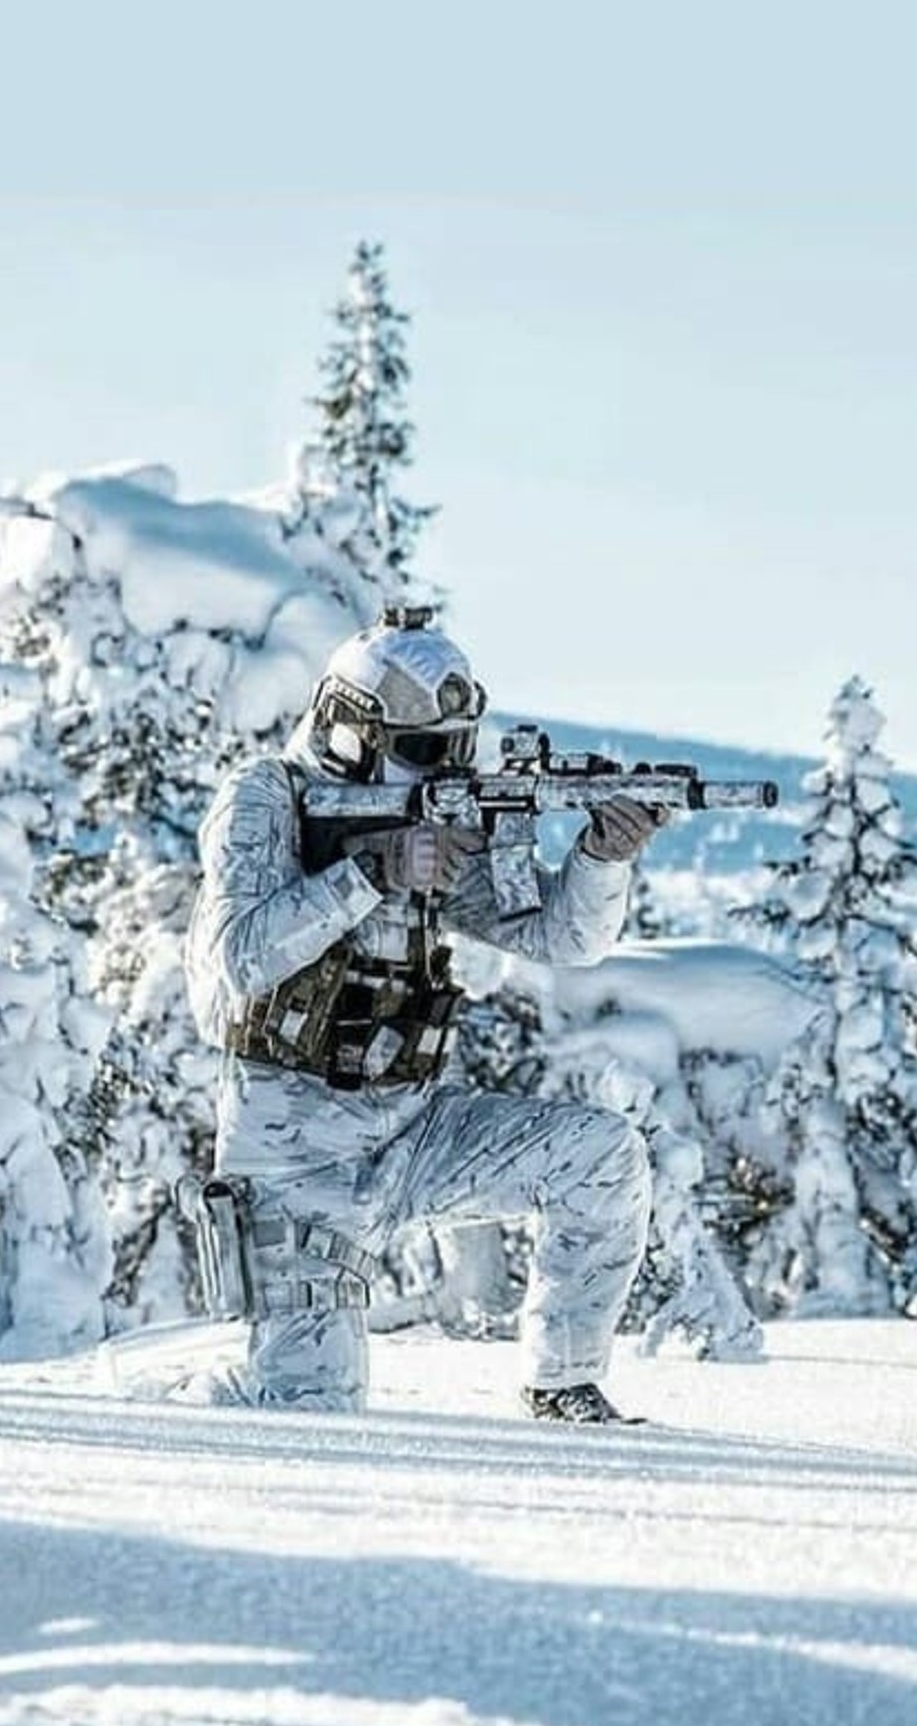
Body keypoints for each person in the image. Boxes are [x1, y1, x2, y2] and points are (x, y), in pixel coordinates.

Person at [184, 607, 663, 1421]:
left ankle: (563, 1382)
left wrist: (599, 859)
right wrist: (373, 872)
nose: (444, 771)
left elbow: (554, 934)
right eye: (423, 752)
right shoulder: (267, 798)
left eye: (457, 750)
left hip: (415, 1127)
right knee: (307, 1414)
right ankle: (185, 1411)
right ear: (351, 732)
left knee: (602, 1157)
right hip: (299, 1162)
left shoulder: (435, 822)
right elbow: (236, 957)